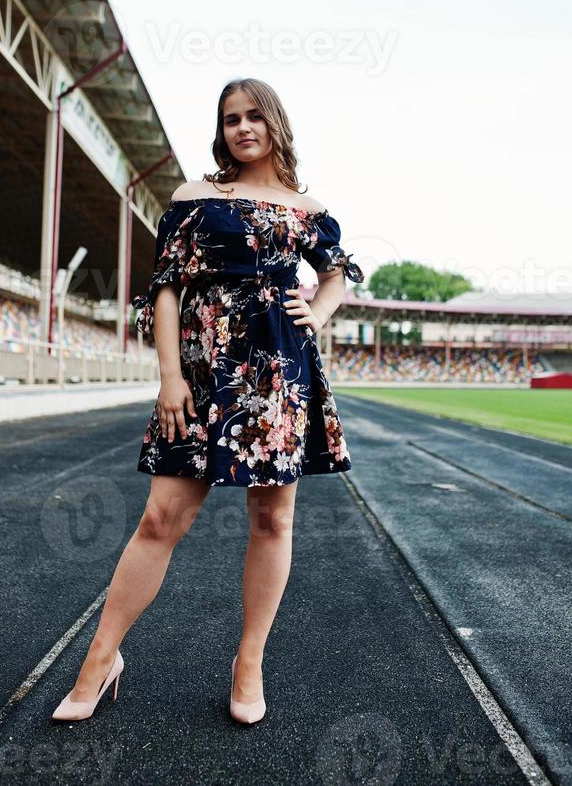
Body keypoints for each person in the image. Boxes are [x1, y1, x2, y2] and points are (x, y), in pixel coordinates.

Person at [51, 77, 364, 725]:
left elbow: (335, 274)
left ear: (275, 122)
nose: (242, 128)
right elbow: (165, 288)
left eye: (254, 116)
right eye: (230, 119)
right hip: (199, 368)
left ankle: (248, 663)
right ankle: (100, 658)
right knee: (161, 517)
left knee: (273, 519)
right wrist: (170, 377)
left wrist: (319, 312)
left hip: (279, 371)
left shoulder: (308, 209)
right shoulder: (196, 197)